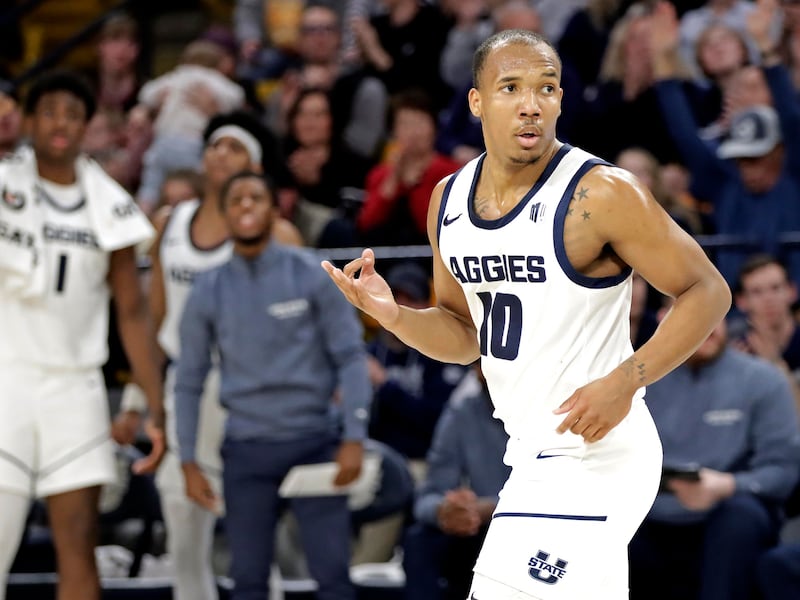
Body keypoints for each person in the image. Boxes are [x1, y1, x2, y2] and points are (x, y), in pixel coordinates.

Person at [322, 29, 731, 599]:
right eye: (510, 87)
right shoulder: (449, 200)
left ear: (561, 100)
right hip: (529, 452)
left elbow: (708, 291)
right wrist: (395, 316)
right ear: (477, 101)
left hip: (597, 452)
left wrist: (625, 380)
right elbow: (465, 335)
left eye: (545, 88)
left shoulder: (602, 193)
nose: (530, 103)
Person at [115, 110, 303, 600]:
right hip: (187, 389)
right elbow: (154, 323)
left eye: (235, 147)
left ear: (255, 167)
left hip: (248, 395)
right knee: (181, 524)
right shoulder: (170, 223)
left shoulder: (278, 235)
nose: (221, 153)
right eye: (215, 145)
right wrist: (137, 402)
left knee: (249, 529)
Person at [0, 70, 165, 600]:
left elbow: (133, 313)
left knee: (78, 542)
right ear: (28, 120)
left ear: (87, 125)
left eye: (73, 113)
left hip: (76, 389)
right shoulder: (5, 182)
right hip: (8, 378)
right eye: (48, 111)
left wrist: (154, 406)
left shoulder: (109, 202)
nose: (60, 123)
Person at [175, 171, 371, 600]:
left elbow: (351, 357)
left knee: (334, 577)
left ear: (273, 208)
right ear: (225, 214)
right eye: (236, 199)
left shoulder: (311, 274)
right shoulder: (209, 289)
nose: (246, 205)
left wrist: (355, 435)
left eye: (255, 197)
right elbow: (188, 378)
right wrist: (187, 458)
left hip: (315, 441)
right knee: (247, 583)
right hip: (246, 449)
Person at [628, 319, 800, 600]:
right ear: (662, 319)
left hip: (727, 508)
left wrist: (729, 485)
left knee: (739, 518)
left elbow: (783, 471)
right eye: (693, 313)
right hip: (652, 510)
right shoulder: (641, 382)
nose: (706, 325)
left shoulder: (764, 380)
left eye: (714, 313)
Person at [403, 362, 511, 600]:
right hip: (478, 526)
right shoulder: (462, 412)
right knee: (419, 540)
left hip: (536, 524)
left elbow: (567, 494)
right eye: (482, 365)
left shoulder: (552, 413)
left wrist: (494, 509)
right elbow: (427, 495)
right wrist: (445, 510)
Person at [136, 39, 246, 210]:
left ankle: (142, 215)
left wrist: (158, 98)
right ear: (216, 64)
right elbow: (237, 96)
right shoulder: (212, 79)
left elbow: (146, 93)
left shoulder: (175, 77)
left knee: (150, 186)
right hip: (192, 145)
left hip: (163, 143)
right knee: (197, 188)